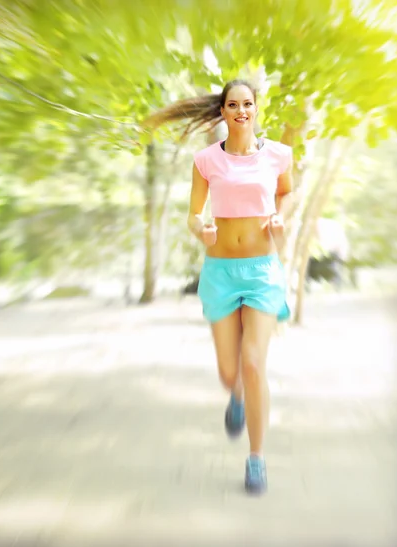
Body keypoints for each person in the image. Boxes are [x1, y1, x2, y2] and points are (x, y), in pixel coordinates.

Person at [145, 79, 293, 494]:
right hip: (221, 271)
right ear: (223, 111)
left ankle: (257, 458)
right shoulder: (206, 160)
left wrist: (281, 216)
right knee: (231, 374)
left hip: (262, 271)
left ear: (256, 108)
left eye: (248, 103)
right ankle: (238, 397)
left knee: (252, 363)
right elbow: (193, 214)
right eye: (233, 104)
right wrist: (201, 230)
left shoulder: (279, 155)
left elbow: (288, 193)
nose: (241, 110)